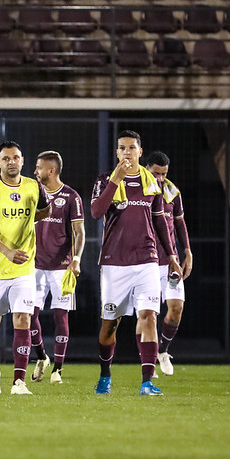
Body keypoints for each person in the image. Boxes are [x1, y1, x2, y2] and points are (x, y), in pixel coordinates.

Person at [90, 130, 182, 396]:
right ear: (117, 153)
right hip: (114, 263)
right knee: (110, 324)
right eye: (122, 148)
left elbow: (160, 222)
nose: (127, 152)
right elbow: (96, 212)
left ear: (140, 152)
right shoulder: (105, 180)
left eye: (132, 148)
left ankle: (146, 382)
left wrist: (172, 256)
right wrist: (114, 182)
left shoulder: (152, 182)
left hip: (147, 261)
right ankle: (105, 375)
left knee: (149, 316)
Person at [0, 140, 51, 395]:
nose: (11, 162)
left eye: (16, 157)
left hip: (23, 267)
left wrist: (30, 222)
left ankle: (19, 382)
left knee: (23, 319)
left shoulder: (33, 186)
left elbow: (45, 208)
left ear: (22, 161)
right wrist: (7, 251)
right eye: (6, 158)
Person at [30, 151, 85, 384]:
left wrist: (77, 259)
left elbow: (79, 232)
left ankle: (57, 371)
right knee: (28, 315)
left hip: (62, 267)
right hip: (34, 265)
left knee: (61, 317)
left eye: (38, 167)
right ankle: (42, 357)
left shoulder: (71, 197)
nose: (35, 172)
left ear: (51, 171)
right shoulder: (31, 194)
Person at [145, 150, 193, 376]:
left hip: (170, 261)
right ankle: (148, 362)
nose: (160, 178)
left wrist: (187, 251)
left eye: (164, 174)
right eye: (156, 173)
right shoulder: (140, 191)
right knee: (149, 314)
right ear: (147, 169)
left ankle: (162, 351)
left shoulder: (172, 191)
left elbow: (180, 223)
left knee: (176, 310)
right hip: (146, 262)